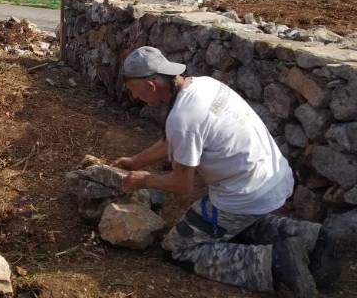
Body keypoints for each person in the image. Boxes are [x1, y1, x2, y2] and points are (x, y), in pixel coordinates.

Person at [114, 46, 341, 298]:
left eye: (133, 90)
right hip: (272, 178)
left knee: (177, 248)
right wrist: (136, 161)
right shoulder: (203, 84)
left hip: (244, 193)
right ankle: (312, 238)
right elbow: (174, 141)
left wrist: (145, 180)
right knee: (233, 225)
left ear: (151, 86)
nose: (134, 97)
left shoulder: (182, 118)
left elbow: (182, 185)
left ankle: (276, 263)